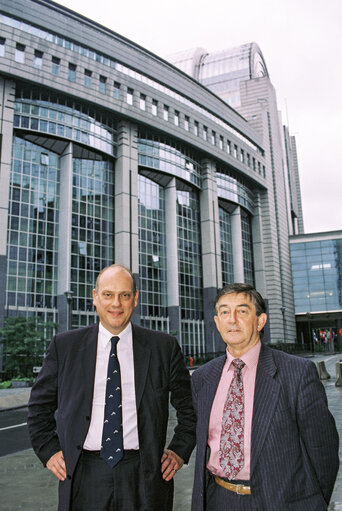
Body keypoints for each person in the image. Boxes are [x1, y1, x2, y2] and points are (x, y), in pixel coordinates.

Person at [28, 264, 196, 511]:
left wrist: (179, 451)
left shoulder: (164, 348)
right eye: (108, 294)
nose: (116, 303)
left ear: (135, 299)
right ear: (95, 297)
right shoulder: (65, 347)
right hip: (84, 474)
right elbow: (38, 408)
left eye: (124, 295)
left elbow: (190, 410)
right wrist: (49, 451)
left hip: (144, 475)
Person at [191, 283, 339, 511]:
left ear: (260, 321)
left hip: (281, 502)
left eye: (242, 311)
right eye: (224, 312)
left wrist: (312, 503)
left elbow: (323, 450)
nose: (232, 319)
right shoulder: (202, 378)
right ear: (217, 322)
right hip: (218, 499)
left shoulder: (297, 373)